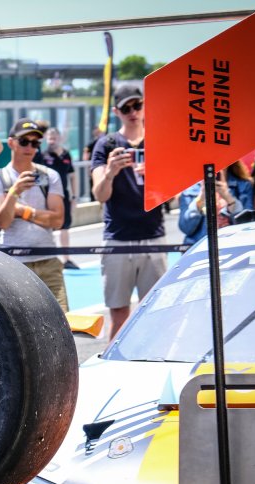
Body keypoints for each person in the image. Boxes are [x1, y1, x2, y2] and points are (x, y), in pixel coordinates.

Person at [91, 84, 166, 340]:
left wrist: (157, 177)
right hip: (118, 238)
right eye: (126, 108)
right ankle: (115, 361)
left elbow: (172, 196)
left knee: (154, 312)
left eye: (137, 105)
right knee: (119, 313)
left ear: (144, 106)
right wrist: (111, 172)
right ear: (116, 112)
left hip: (153, 236)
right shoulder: (107, 144)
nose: (133, 112)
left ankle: (152, 358)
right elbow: (100, 195)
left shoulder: (158, 141)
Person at [0, 119, 68, 312]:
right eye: (24, 141)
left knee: (62, 320)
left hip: (48, 261)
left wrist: (22, 211)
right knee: (19, 322)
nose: (30, 147)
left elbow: (57, 220)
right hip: (14, 262)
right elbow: (3, 222)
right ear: (11, 142)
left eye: (35, 143)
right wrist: (14, 192)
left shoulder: (49, 176)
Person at [178, 161, 253, 244]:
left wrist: (229, 199)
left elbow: (248, 224)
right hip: (200, 246)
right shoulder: (190, 189)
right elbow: (186, 228)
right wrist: (201, 198)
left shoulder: (243, 185)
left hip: (233, 244)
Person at [40, 126, 80, 269]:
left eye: (54, 138)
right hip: (47, 197)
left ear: (60, 138)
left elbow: (72, 176)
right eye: (50, 138)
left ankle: (66, 259)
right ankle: (49, 258)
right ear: (46, 139)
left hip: (64, 196)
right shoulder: (43, 156)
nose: (52, 141)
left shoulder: (66, 155)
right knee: (48, 228)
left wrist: (74, 196)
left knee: (65, 227)